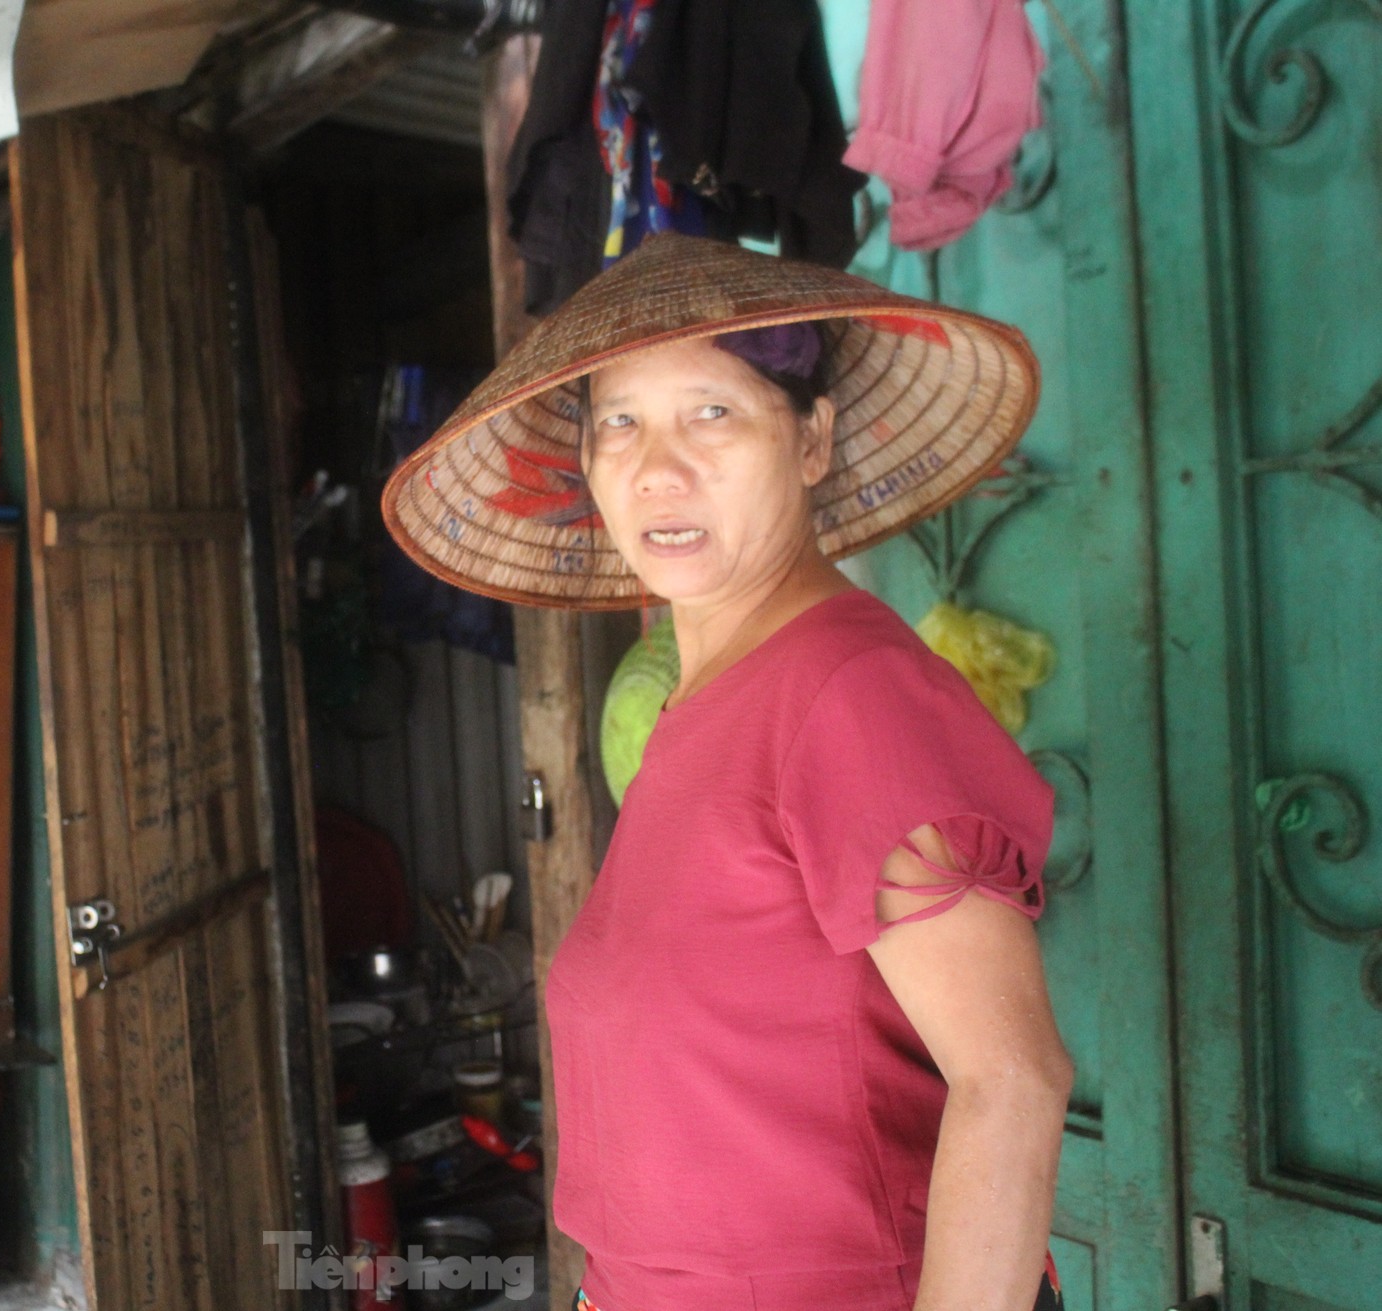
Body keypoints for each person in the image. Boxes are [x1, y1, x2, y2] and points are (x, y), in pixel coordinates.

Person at [381, 233, 1071, 1311]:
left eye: (712, 411)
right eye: (620, 421)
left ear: (811, 440)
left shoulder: (848, 691)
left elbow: (1012, 1082)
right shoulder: (693, 714)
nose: (659, 466)